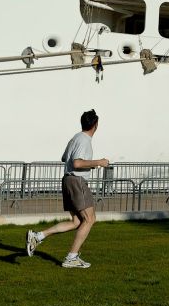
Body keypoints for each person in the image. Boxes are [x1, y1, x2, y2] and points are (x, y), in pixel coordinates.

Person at [26, 109, 109, 268]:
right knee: (90, 219)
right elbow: (77, 163)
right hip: (77, 181)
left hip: (68, 180)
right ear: (96, 125)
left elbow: (65, 158)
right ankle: (72, 258)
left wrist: (88, 164)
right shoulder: (84, 140)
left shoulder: (75, 138)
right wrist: (98, 162)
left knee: (77, 221)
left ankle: (38, 236)